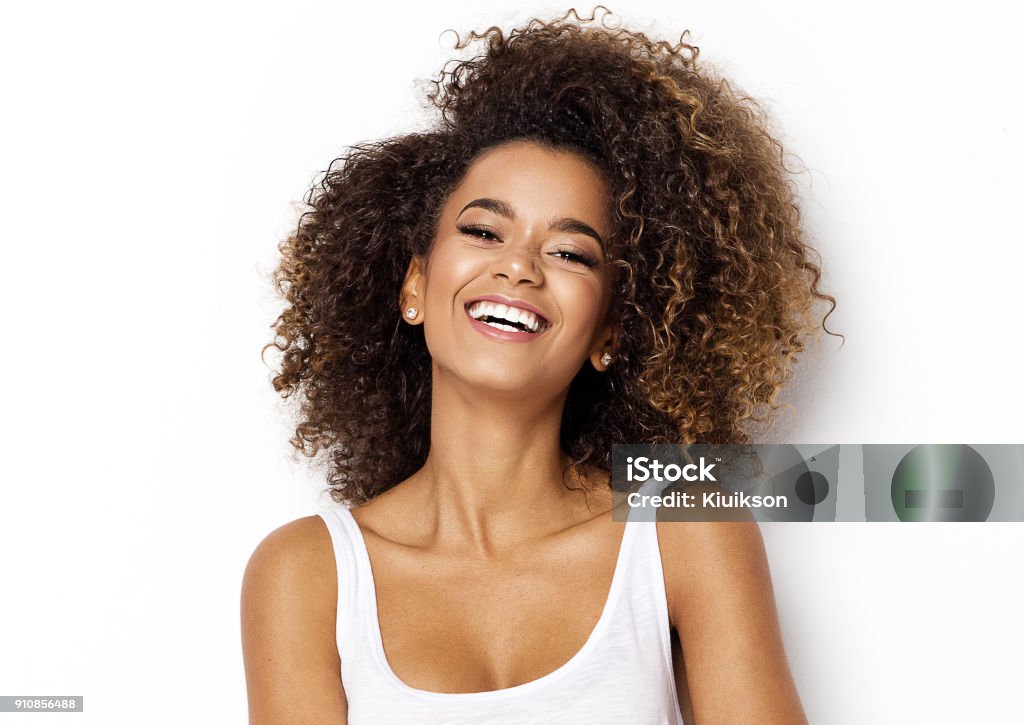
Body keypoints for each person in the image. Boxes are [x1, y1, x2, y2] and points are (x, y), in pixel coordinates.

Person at [241, 9, 832, 724]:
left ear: (608, 331)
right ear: (414, 287)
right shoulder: (307, 575)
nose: (518, 265)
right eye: (484, 230)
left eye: (570, 252)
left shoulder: (686, 530)